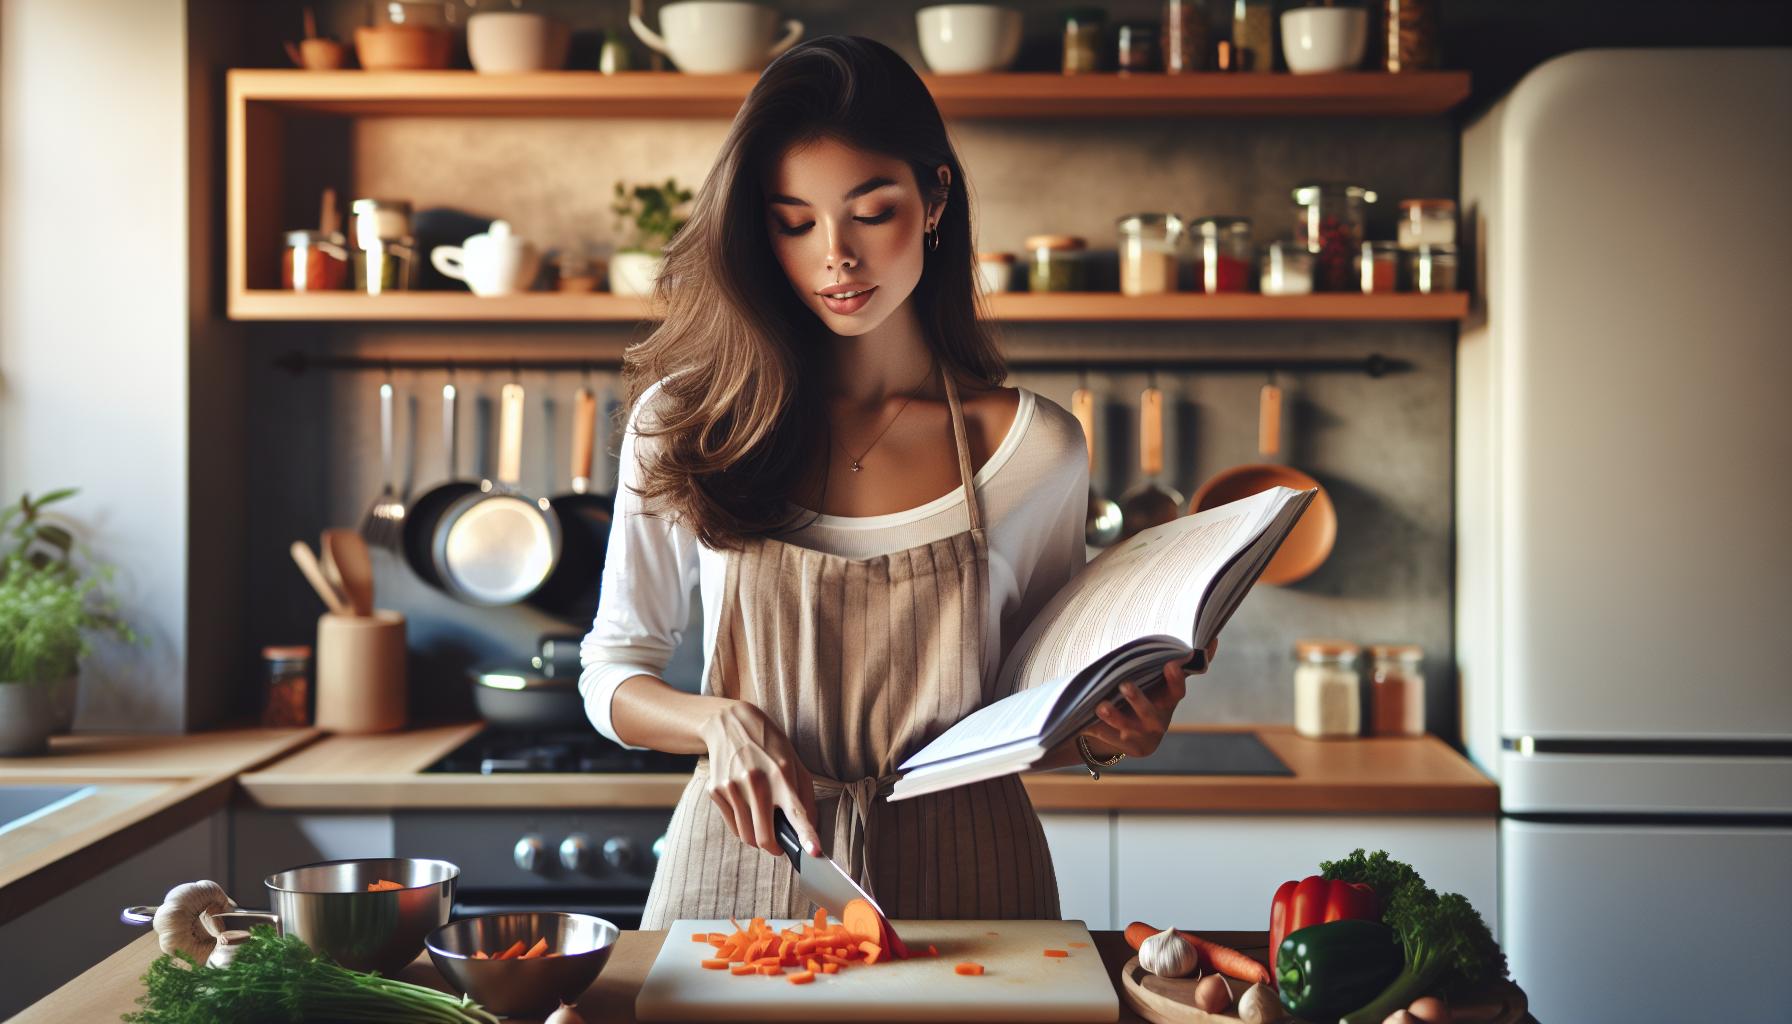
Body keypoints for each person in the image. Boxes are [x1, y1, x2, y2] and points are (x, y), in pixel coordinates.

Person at [580, 36, 1213, 929]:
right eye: (794, 222)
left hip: (976, 888)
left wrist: (1110, 736)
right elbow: (611, 671)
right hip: (744, 878)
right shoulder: (688, 422)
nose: (835, 256)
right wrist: (715, 723)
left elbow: (1030, 720)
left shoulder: (1035, 451)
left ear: (935, 198)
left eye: (871, 212)